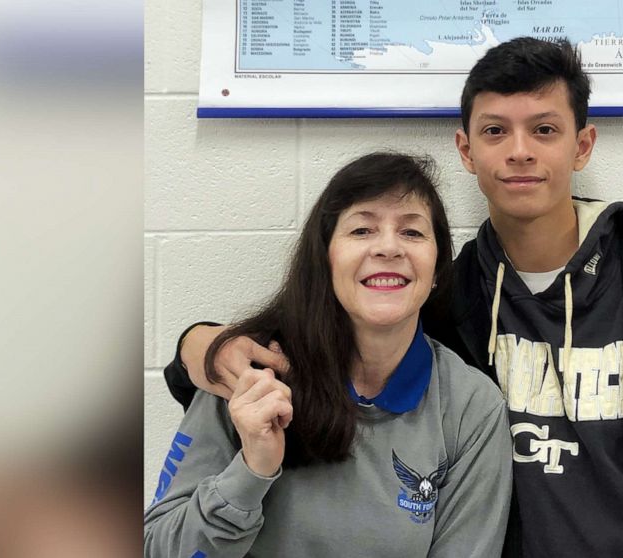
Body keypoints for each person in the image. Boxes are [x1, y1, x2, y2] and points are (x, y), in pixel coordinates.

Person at [165, 38, 623, 557]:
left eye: (545, 130)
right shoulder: (444, 298)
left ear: (582, 146)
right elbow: (292, 341)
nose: (520, 151)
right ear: (466, 150)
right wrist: (198, 345)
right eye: (495, 131)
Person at [145, 152, 513, 558]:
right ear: (326, 257)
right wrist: (251, 472)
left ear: (438, 264)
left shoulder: (471, 407)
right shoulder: (249, 371)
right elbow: (158, 548)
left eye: (412, 233)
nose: (388, 247)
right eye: (361, 230)